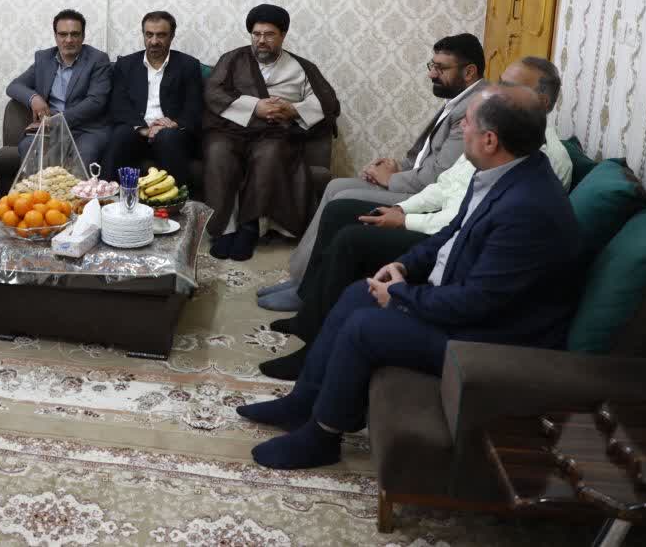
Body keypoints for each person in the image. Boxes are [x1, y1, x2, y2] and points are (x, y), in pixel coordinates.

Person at [236, 84, 583, 469]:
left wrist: (402, 296)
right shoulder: (501, 173)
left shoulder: (527, 209)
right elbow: (451, 233)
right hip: (471, 308)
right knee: (358, 294)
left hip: (495, 342)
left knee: (365, 327)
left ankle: (322, 437)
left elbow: (480, 303)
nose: (461, 128)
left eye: (468, 123)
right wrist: (405, 266)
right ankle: (302, 403)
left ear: (490, 140)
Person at [257, 57, 574, 379]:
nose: (496, 89)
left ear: (541, 100)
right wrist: (405, 217)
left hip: (467, 299)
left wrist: (405, 233)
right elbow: (448, 192)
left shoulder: (532, 165)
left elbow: (475, 268)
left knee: (352, 239)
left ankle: (313, 333)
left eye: (508, 86)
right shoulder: (497, 150)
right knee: (341, 208)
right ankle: (309, 305)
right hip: (442, 231)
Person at [259, 33, 486, 309]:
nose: (431, 74)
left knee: (342, 199)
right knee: (335, 186)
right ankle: (303, 278)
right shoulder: (461, 98)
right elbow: (428, 158)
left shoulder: (473, 108)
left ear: (469, 72)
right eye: (432, 65)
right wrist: (394, 167)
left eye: (440, 68)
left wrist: (391, 179)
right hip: (418, 183)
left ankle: (309, 288)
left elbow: (437, 176)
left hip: (428, 199)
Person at [201, 4, 340, 261]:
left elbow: (327, 102)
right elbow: (213, 92)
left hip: (274, 133)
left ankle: (250, 227)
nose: (261, 40)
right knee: (217, 151)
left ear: (283, 35)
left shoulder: (301, 67)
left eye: (269, 34)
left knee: (270, 153)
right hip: (232, 129)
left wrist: (293, 110)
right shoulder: (233, 59)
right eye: (256, 34)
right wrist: (255, 106)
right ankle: (223, 229)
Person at [100, 11, 204, 185]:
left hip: (172, 133)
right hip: (137, 132)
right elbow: (118, 105)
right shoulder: (126, 65)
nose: (154, 41)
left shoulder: (188, 65)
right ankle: (105, 193)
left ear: (172, 36)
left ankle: (176, 198)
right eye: (149, 35)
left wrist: (173, 124)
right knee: (121, 134)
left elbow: (194, 108)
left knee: (168, 137)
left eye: (161, 35)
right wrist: (144, 129)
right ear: (143, 34)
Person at [7, 9, 113, 167]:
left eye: (75, 34)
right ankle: (38, 185)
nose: (68, 40)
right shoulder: (44, 59)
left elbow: (96, 102)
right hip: (51, 131)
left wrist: (55, 121)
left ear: (83, 36)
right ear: (55, 36)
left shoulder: (98, 60)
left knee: (84, 155)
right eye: (63, 34)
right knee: (28, 146)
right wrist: (34, 99)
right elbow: (14, 86)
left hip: (86, 130)